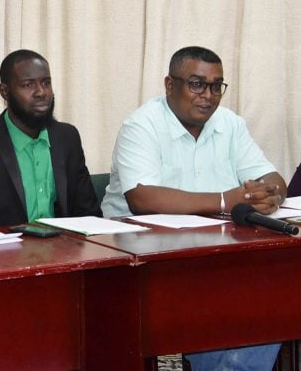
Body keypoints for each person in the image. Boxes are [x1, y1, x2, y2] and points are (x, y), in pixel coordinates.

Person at [101, 46, 285, 370]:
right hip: (142, 261)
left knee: (273, 299)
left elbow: (270, 176)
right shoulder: (142, 126)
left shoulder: (230, 124)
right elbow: (142, 199)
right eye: (197, 84)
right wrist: (226, 200)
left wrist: (269, 194)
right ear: (169, 85)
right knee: (221, 309)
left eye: (217, 86)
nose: (209, 96)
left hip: (216, 256)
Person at [0, 49, 100, 228]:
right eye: (28, 85)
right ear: (4, 92)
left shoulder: (67, 138)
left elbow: (89, 216)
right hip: (5, 254)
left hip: (65, 251)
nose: (41, 92)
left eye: (46, 83)